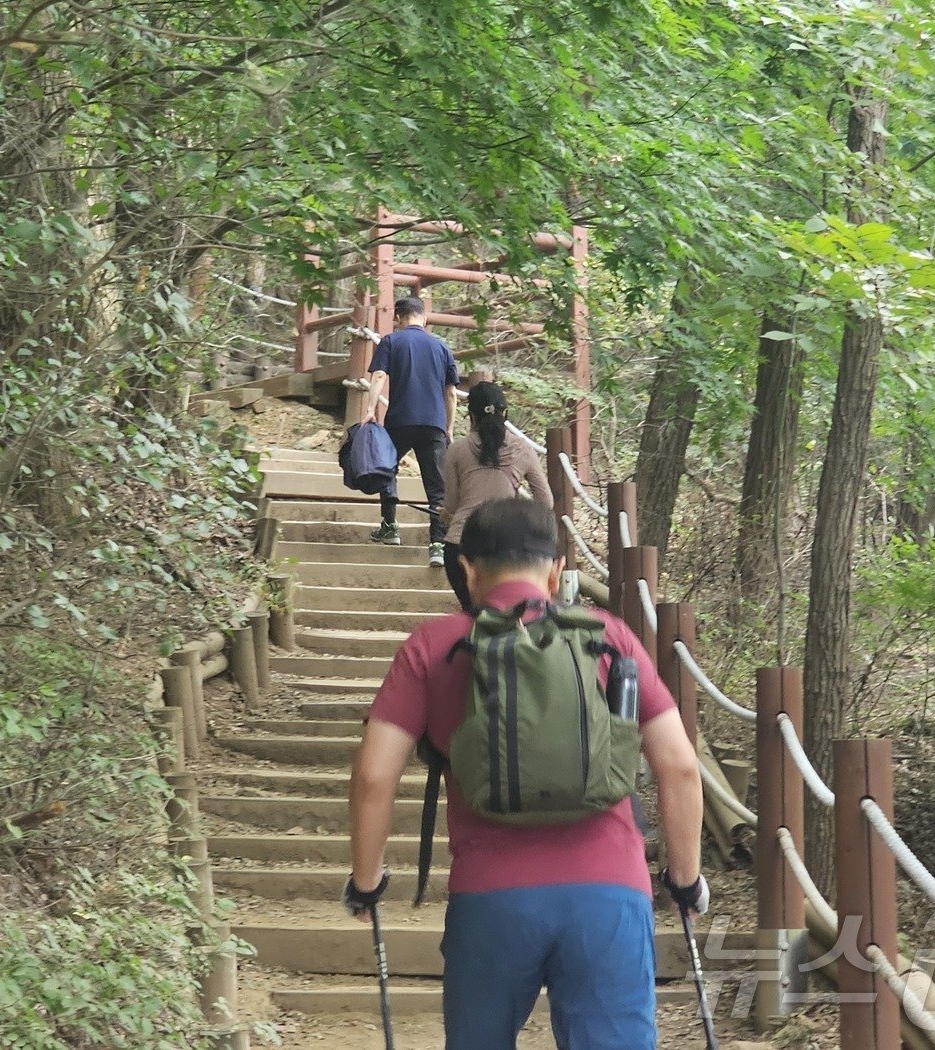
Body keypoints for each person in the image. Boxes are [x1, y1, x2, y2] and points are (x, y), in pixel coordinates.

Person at [344, 498, 707, 1050]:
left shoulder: (432, 647)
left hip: (491, 898)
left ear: (466, 568)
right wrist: (684, 879)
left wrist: (367, 881)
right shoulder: (608, 636)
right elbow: (679, 768)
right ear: (557, 568)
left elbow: (374, 777)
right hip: (607, 892)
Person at [359, 296, 460, 567]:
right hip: (434, 424)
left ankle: (390, 526)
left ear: (398, 318)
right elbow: (451, 393)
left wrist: (370, 410)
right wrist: (449, 426)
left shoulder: (391, 341)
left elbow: (379, 376)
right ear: (423, 318)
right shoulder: (441, 347)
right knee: (436, 487)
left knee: (387, 469)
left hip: (400, 420)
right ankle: (437, 545)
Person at [439, 381, 552, 610]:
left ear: (471, 415)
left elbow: (451, 503)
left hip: (460, 545)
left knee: (473, 612)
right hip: (507, 547)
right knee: (504, 615)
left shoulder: (456, 450)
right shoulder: (523, 449)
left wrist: (447, 514)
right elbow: (546, 500)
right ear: (505, 413)